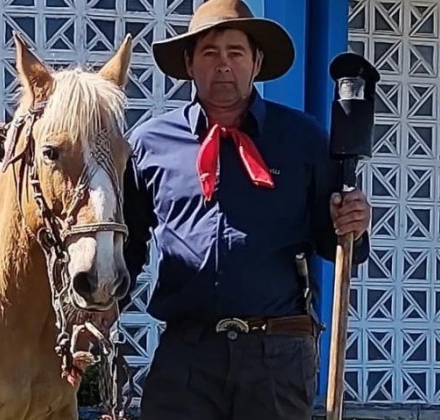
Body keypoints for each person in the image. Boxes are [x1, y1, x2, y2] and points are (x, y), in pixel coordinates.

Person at [120, 0, 372, 419]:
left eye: (235, 53)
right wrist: (98, 312)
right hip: (187, 355)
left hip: (276, 355)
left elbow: (336, 244)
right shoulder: (149, 144)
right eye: (209, 53)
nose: (223, 65)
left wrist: (354, 225)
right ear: (189, 63)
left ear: (256, 62)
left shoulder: (303, 139)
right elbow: (129, 243)